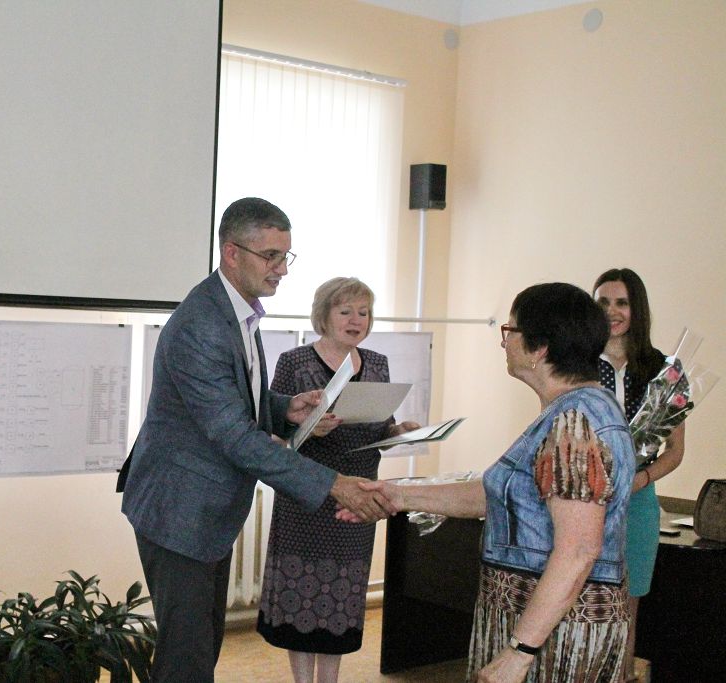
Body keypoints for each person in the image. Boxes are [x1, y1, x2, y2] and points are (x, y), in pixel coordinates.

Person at [119, 197, 391, 683]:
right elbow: (234, 436)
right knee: (187, 658)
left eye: (286, 256)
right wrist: (334, 484)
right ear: (232, 253)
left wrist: (284, 408)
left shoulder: (236, 311)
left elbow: (236, 396)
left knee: (200, 648)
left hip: (206, 510)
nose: (282, 269)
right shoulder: (202, 325)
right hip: (179, 510)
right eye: (270, 256)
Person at [343, 283, 635, 682]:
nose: (503, 342)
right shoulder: (570, 411)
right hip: (537, 624)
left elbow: (579, 550)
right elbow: (500, 494)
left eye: (510, 331)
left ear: (539, 348)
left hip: (555, 636)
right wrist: (398, 495)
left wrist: (519, 653)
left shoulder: (575, 422)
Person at [257, 276, 419, 683]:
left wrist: (400, 433)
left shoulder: (377, 363)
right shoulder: (294, 362)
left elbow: (382, 425)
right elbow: (272, 435)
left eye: (363, 312)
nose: (356, 319)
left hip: (359, 497)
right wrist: (309, 429)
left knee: (342, 598)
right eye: (345, 311)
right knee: (301, 595)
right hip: (306, 496)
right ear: (324, 315)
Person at [593, 267, 685, 682]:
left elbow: (675, 452)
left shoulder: (664, 369)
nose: (611, 311)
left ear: (637, 309)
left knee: (627, 608)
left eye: (622, 303)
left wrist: (639, 480)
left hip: (638, 500)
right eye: (603, 302)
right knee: (578, 598)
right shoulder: (575, 362)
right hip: (584, 498)